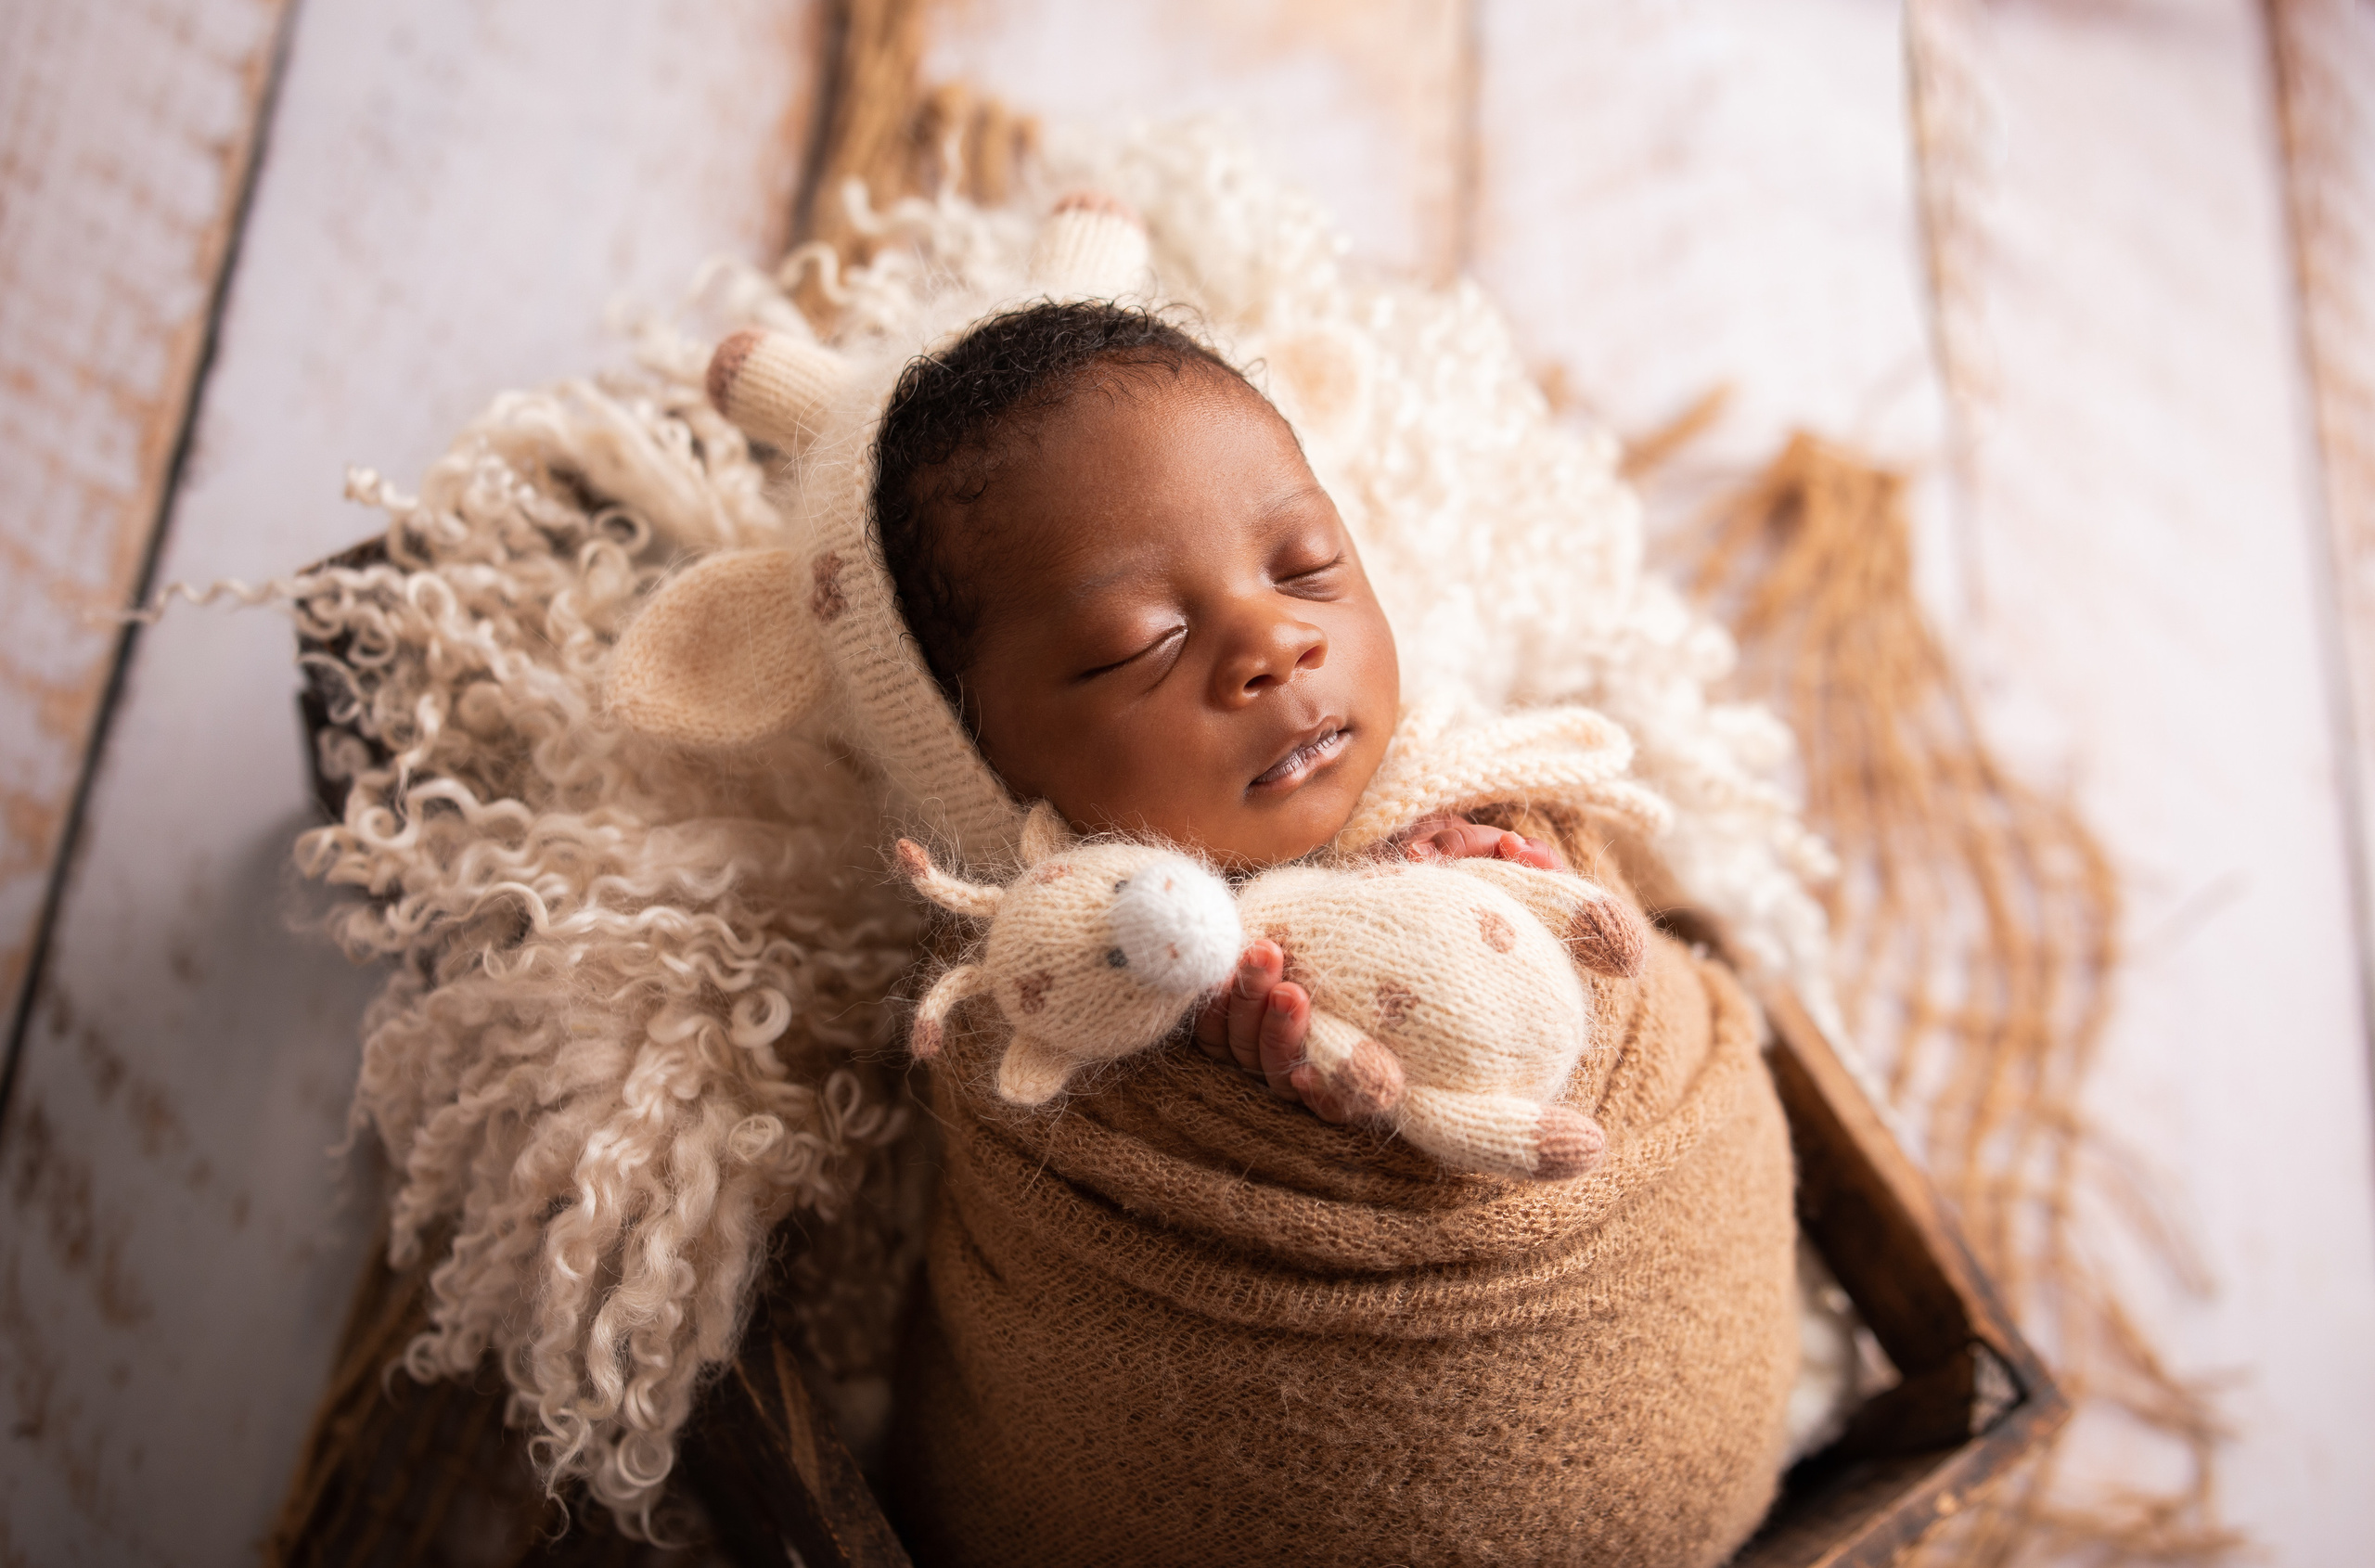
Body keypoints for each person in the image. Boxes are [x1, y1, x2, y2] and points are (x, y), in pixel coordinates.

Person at [866, 299, 1569, 1122]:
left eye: (1305, 566)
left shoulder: (1468, 779)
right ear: (975, 759)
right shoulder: (1035, 1000)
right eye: (1144, 645)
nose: (1275, 644)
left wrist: (1505, 898)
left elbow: (1620, 982)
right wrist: (1255, 1096)